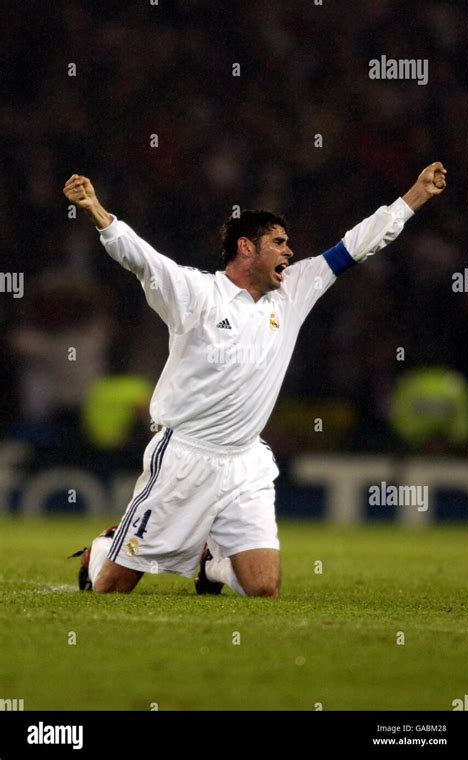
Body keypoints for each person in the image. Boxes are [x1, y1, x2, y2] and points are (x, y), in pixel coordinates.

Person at [63, 162, 447, 597]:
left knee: (263, 589)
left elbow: (356, 246)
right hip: (186, 456)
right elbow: (141, 259)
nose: (289, 251)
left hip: (245, 462)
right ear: (247, 247)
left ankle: (212, 566)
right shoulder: (197, 293)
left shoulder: (293, 293)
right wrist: (96, 210)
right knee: (111, 589)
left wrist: (414, 196)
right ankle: (103, 550)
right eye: (279, 243)